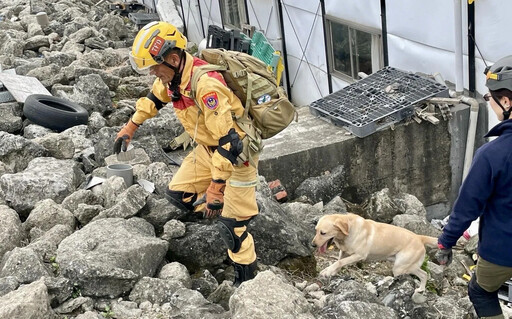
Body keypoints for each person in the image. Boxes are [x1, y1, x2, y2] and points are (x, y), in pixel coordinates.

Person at [114, 21, 259, 286]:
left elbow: (230, 143)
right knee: (178, 195)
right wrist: (130, 126)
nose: (153, 74)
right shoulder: (175, 78)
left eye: (154, 67)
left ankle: (247, 279)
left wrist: (216, 186)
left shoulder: (205, 85)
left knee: (233, 229)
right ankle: (221, 206)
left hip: (236, 159)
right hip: (207, 150)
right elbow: (154, 98)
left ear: (171, 58)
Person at [436, 55, 512, 319]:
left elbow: (467, 207)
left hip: (503, 251)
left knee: (480, 291)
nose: (488, 103)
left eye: (489, 98)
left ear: (506, 101)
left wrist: (445, 242)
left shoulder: (492, 154)